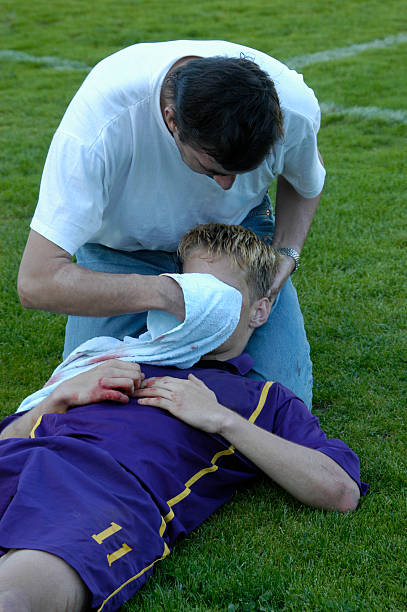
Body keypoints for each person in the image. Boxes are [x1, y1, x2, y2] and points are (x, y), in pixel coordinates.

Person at [0, 225, 366, 612]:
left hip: (103, 494)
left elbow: (341, 493)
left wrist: (221, 419)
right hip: (23, 460)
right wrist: (56, 399)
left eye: (214, 294)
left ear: (259, 310)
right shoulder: (110, 355)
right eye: (186, 289)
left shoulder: (264, 400)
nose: (191, 304)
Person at [17, 40, 326, 409]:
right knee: (97, 399)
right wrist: (169, 294)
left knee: (279, 405)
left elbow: (306, 180)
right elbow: (36, 281)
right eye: (212, 169)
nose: (227, 185)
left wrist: (286, 253)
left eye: (239, 172)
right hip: (123, 250)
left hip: (231, 239)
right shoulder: (99, 125)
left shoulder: (293, 106)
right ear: (171, 120)